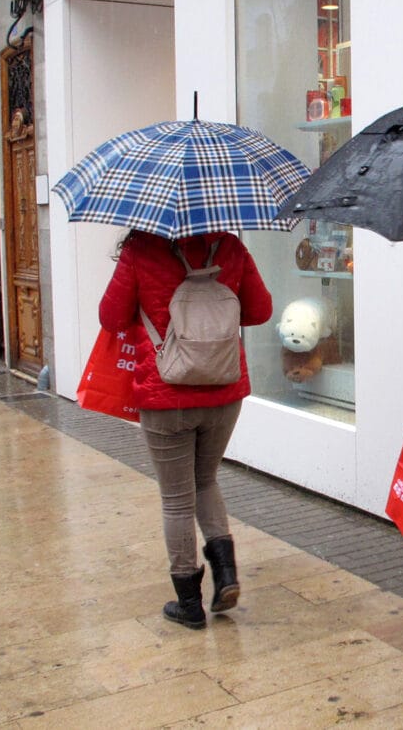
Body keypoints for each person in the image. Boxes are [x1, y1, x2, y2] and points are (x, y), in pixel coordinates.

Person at [99, 229, 272, 630]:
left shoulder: (141, 248)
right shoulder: (229, 246)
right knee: (206, 481)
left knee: (177, 499)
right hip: (224, 390)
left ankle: (189, 603)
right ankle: (226, 574)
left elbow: (111, 317)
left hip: (165, 395)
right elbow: (260, 310)